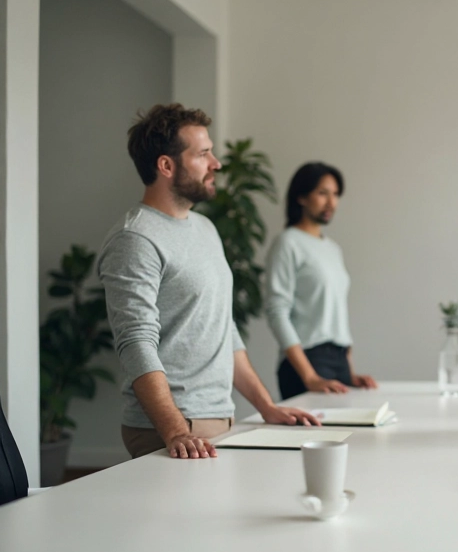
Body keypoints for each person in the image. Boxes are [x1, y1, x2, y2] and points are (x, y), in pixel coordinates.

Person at [99, 103, 320, 460]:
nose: (216, 163)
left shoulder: (205, 228)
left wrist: (267, 407)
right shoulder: (135, 239)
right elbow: (136, 342)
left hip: (219, 418)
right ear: (166, 165)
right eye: (203, 154)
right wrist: (175, 431)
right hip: (171, 428)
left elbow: (224, 329)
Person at [264, 162, 378, 400]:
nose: (331, 203)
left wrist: (350, 373)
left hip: (339, 359)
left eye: (335, 195)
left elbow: (335, 313)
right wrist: (309, 375)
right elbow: (277, 312)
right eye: (322, 193)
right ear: (302, 197)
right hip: (307, 360)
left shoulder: (332, 249)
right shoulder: (288, 243)